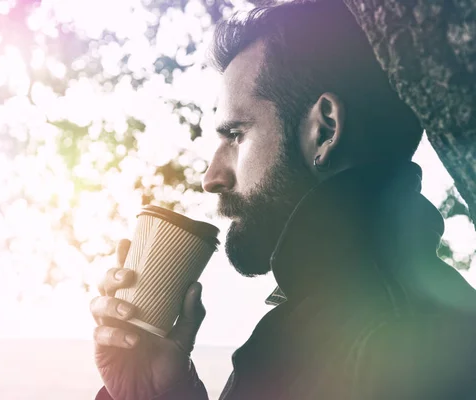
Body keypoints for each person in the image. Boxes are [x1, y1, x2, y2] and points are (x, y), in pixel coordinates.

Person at [90, 1, 476, 399]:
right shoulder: (339, 322)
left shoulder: (390, 343)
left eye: (236, 135)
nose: (211, 178)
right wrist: (159, 393)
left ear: (325, 128)